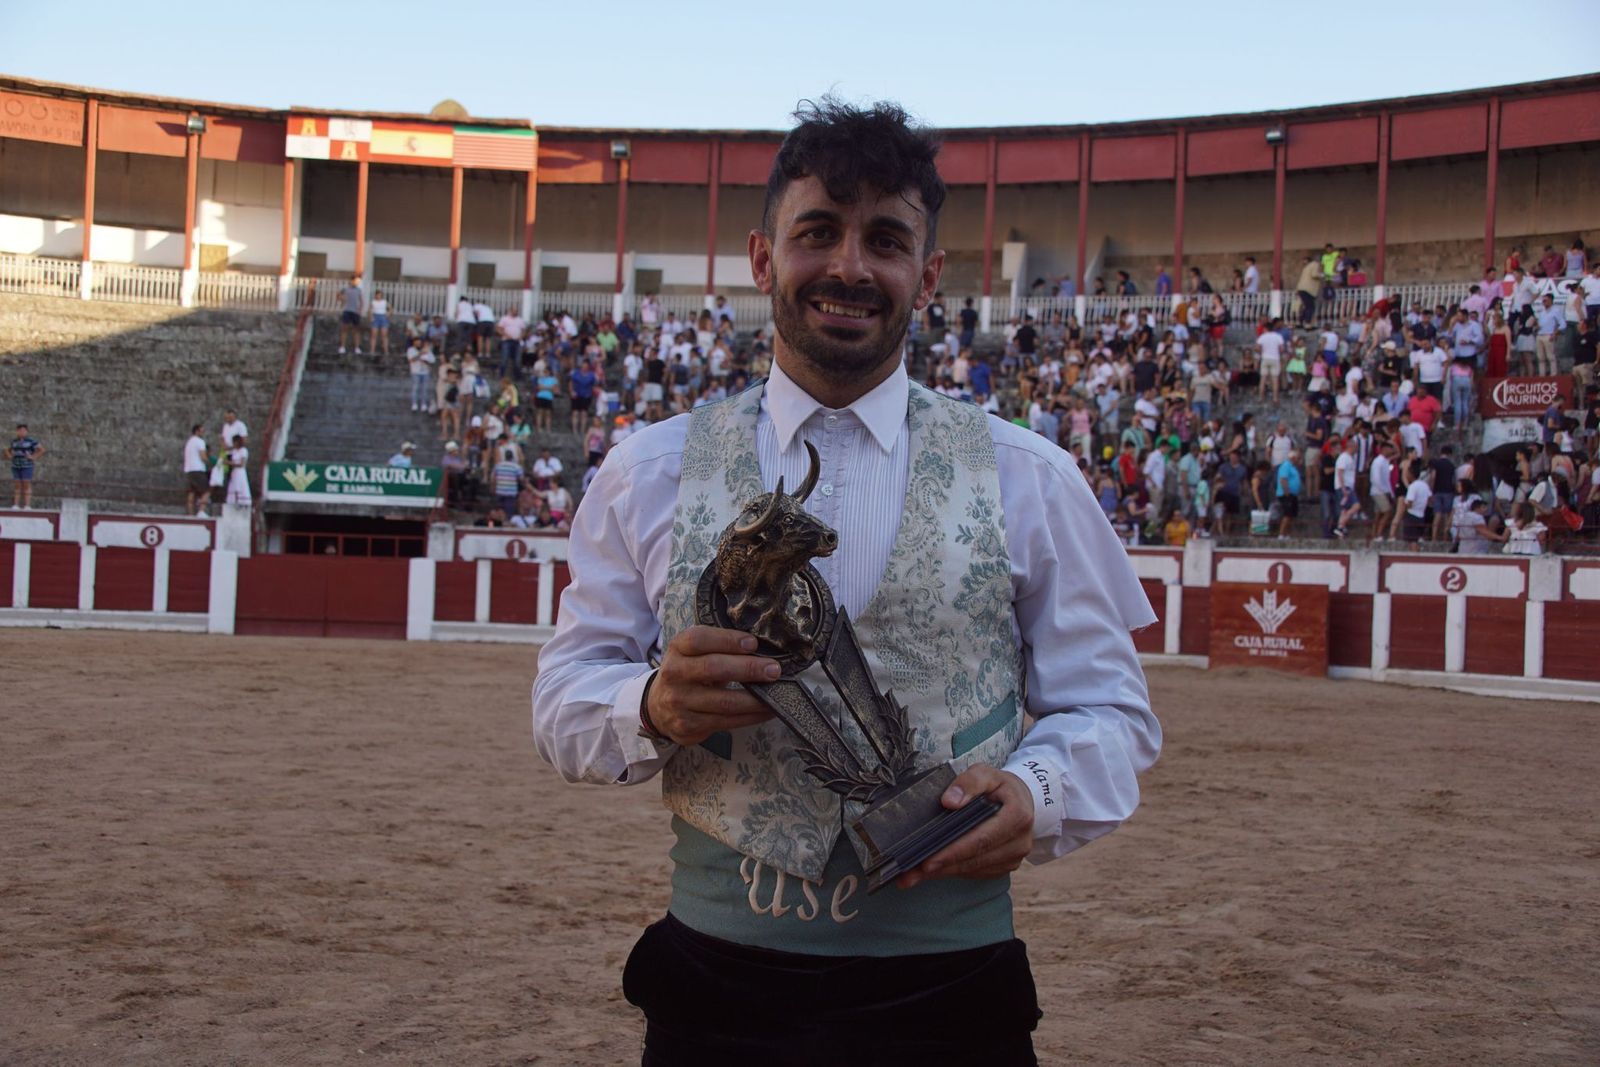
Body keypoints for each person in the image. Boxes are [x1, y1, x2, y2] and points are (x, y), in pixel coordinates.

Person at [531, 97, 1160, 1065]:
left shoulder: (1029, 475)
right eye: (817, 232)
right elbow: (564, 699)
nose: (850, 266)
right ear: (760, 256)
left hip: (951, 993)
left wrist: (1036, 786)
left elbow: (1110, 709)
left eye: (885, 239)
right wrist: (650, 703)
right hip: (717, 991)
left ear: (929, 272)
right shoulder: (645, 472)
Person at [8, 423, 44, 509]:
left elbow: (41, 450)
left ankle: (27, 505)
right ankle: (16, 504)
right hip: (16, 465)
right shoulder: (14, 441)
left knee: (26, 484)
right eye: (20, 430)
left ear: (27, 432)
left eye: (24, 430)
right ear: (17, 431)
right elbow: (8, 450)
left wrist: (33, 457)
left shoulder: (31, 441)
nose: (22, 432)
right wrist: (10, 456)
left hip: (27, 466)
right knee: (17, 485)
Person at [183, 422, 210, 517]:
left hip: (189, 470)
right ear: (197, 431)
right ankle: (201, 511)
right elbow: (203, 457)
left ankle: (190, 514)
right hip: (198, 469)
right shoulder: (200, 442)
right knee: (206, 491)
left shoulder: (189, 442)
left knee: (192, 491)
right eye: (202, 431)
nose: (203, 433)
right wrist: (210, 461)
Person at [337, 276, 364, 354]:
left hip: (355, 312)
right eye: (356, 281)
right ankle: (342, 347)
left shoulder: (359, 290)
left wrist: (360, 310)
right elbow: (338, 296)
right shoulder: (345, 289)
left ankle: (357, 347)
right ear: (352, 281)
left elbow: (361, 300)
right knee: (344, 329)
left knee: (356, 330)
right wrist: (342, 299)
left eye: (358, 282)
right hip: (347, 310)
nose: (357, 283)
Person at [225, 434, 251, 506]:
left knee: (239, 486)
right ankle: (233, 502)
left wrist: (229, 463)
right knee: (233, 487)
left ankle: (241, 502)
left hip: (240, 472)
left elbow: (241, 464)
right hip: (234, 472)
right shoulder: (234, 451)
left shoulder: (243, 450)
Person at [368, 288, 391, 356]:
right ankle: (372, 350)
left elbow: (391, 309)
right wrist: (370, 317)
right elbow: (369, 310)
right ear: (375, 295)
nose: (378, 296)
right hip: (375, 316)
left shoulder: (385, 301)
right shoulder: (373, 302)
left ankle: (386, 351)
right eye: (377, 295)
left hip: (383, 316)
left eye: (380, 295)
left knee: (384, 335)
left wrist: (388, 314)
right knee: (373, 335)